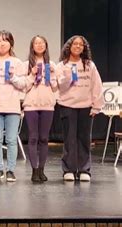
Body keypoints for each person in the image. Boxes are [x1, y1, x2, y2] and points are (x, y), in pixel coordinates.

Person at [56, 35, 103, 182]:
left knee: (84, 139)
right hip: (67, 105)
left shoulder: (89, 65)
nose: (77, 46)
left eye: (80, 45)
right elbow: (58, 86)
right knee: (69, 139)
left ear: (84, 48)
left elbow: (97, 86)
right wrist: (68, 77)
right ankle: (68, 170)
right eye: (75, 44)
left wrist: (97, 106)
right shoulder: (61, 66)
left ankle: (84, 170)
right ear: (69, 46)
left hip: (86, 106)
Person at [0, 30, 26, 182]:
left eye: (6, 40)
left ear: (11, 44)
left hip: (12, 107)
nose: (2, 43)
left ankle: (11, 170)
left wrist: (13, 76)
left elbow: (23, 84)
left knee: (11, 140)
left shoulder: (17, 62)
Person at [22, 35, 58, 182]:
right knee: (33, 137)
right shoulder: (26, 65)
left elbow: (55, 87)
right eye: (36, 43)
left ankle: (42, 169)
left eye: (42, 42)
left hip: (47, 105)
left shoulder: (52, 64)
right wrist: (32, 74)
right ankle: (34, 170)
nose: (39, 45)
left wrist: (54, 76)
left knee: (44, 138)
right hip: (31, 105)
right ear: (32, 46)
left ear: (46, 45)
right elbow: (24, 86)